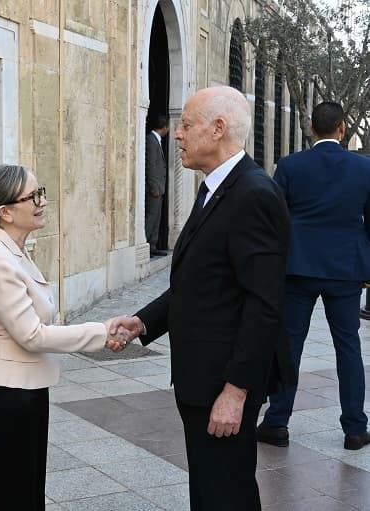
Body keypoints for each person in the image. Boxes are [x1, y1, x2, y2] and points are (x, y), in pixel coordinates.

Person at [112, 86, 294, 511]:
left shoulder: (253, 195)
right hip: (201, 378)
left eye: (187, 125)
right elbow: (203, 281)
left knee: (225, 494)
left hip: (223, 382)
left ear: (218, 129)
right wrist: (144, 322)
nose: (177, 134)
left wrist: (236, 391)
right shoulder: (215, 187)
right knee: (212, 491)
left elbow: (264, 303)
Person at [0, 164, 127, 511]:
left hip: (24, 388)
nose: (41, 202)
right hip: (4, 393)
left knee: (25, 492)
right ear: (5, 212)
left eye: (41, 193)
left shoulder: (15, 250)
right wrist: (102, 332)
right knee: (6, 495)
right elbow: (31, 335)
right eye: (32, 196)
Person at [256, 102, 370, 451]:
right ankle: (355, 428)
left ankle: (277, 422)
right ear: (342, 128)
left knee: (290, 345)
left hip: (298, 268)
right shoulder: (364, 168)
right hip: (346, 269)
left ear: (311, 129)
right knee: (348, 346)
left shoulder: (290, 165)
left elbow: (273, 219)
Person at [145, 115, 170, 257]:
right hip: (154, 188)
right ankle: (146, 245)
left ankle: (152, 246)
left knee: (156, 217)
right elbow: (150, 165)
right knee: (151, 217)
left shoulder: (156, 141)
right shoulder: (151, 140)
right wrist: (154, 186)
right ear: (165, 127)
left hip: (159, 187)